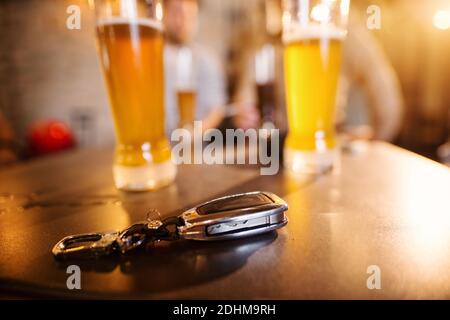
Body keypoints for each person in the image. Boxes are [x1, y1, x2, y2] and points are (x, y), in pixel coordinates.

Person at [163, 0, 226, 135]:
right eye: (176, 13)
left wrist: (192, 133)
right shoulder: (150, 56)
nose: (181, 21)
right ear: (163, 13)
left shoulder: (207, 60)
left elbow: (216, 110)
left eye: (189, 15)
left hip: (194, 149)